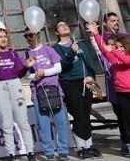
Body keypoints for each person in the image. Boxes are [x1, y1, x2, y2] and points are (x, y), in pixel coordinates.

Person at [0, 29, 37, 161]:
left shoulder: (13, 54)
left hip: (15, 85)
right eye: (0, 37)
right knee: (6, 122)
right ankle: (10, 154)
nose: (3, 39)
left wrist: (26, 66)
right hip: (0, 86)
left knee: (22, 120)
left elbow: (19, 73)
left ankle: (30, 152)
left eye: (5, 37)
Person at [52, 20, 100, 159]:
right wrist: (72, 53)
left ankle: (89, 146)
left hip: (86, 82)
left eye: (65, 24)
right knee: (78, 113)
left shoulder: (82, 44)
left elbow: (89, 62)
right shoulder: (56, 48)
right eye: (60, 26)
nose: (64, 26)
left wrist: (91, 76)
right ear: (56, 32)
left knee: (86, 113)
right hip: (69, 83)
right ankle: (81, 147)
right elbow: (62, 66)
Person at [23, 27, 69, 161]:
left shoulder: (48, 49)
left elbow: (59, 67)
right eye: (26, 36)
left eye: (30, 35)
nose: (29, 38)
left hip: (54, 89)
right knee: (43, 125)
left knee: (60, 122)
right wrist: (35, 76)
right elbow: (26, 75)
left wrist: (44, 72)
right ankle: (49, 152)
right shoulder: (26, 53)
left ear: (37, 34)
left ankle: (63, 152)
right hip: (38, 93)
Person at [88, 22, 130, 156]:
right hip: (121, 93)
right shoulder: (114, 56)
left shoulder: (125, 56)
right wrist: (95, 33)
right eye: (118, 47)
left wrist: (113, 50)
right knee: (126, 120)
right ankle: (128, 145)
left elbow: (126, 61)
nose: (119, 49)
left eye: (122, 47)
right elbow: (102, 48)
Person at [101, 12, 130, 156]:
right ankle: (126, 143)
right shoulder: (102, 38)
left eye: (117, 20)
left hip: (128, 81)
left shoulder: (126, 37)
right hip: (115, 84)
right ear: (105, 23)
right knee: (122, 116)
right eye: (112, 20)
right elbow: (99, 48)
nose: (116, 22)